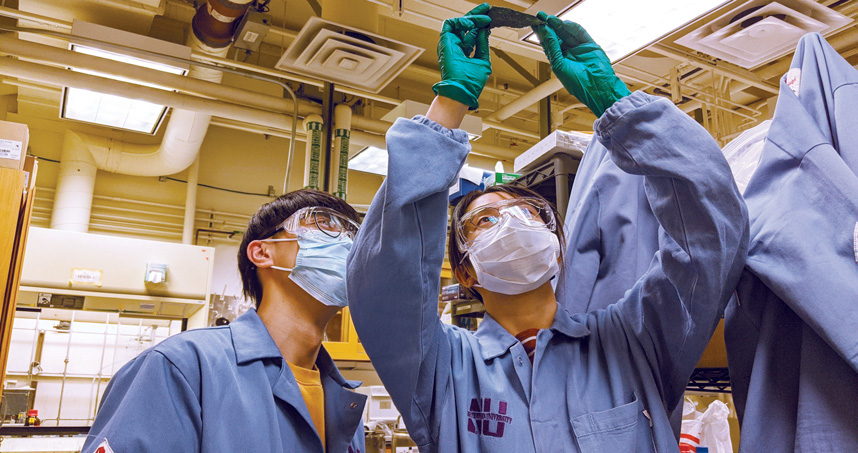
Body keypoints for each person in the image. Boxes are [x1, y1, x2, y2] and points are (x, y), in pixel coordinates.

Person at [347, 3, 748, 452]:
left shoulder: (636, 337)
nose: (512, 223)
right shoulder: (444, 368)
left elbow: (713, 233)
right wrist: (450, 104)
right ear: (465, 273)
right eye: (485, 220)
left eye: (530, 214)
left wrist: (618, 103)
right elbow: (382, 286)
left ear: (557, 250)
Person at [83, 189, 367, 453]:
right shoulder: (180, 367)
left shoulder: (343, 398)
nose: (346, 245)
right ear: (262, 252)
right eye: (324, 225)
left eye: (354, 237)